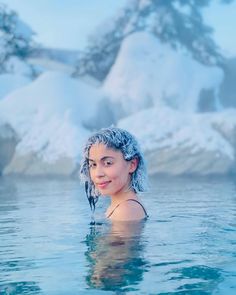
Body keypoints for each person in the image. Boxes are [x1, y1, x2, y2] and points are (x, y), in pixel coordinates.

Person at [80, 127, 148, 221]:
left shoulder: (126, 211)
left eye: (108, 163)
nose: (98, 174)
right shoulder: (121, 206)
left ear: (132, 165)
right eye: (93, 164)